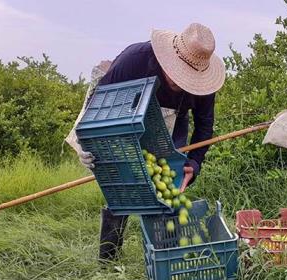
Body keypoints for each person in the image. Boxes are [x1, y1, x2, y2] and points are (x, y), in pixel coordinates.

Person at [66, 23, 225, 262]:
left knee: (169, 183)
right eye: (178, 75)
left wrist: (195, 161)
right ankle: (108, 260)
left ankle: (165, 255)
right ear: (167, 59)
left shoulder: (203, 84)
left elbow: (204, 125)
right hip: (122, 115)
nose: (181, 83)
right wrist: (89, 143)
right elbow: (98, 106)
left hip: (173, 119)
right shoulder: (135, 61)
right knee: (122, 186)